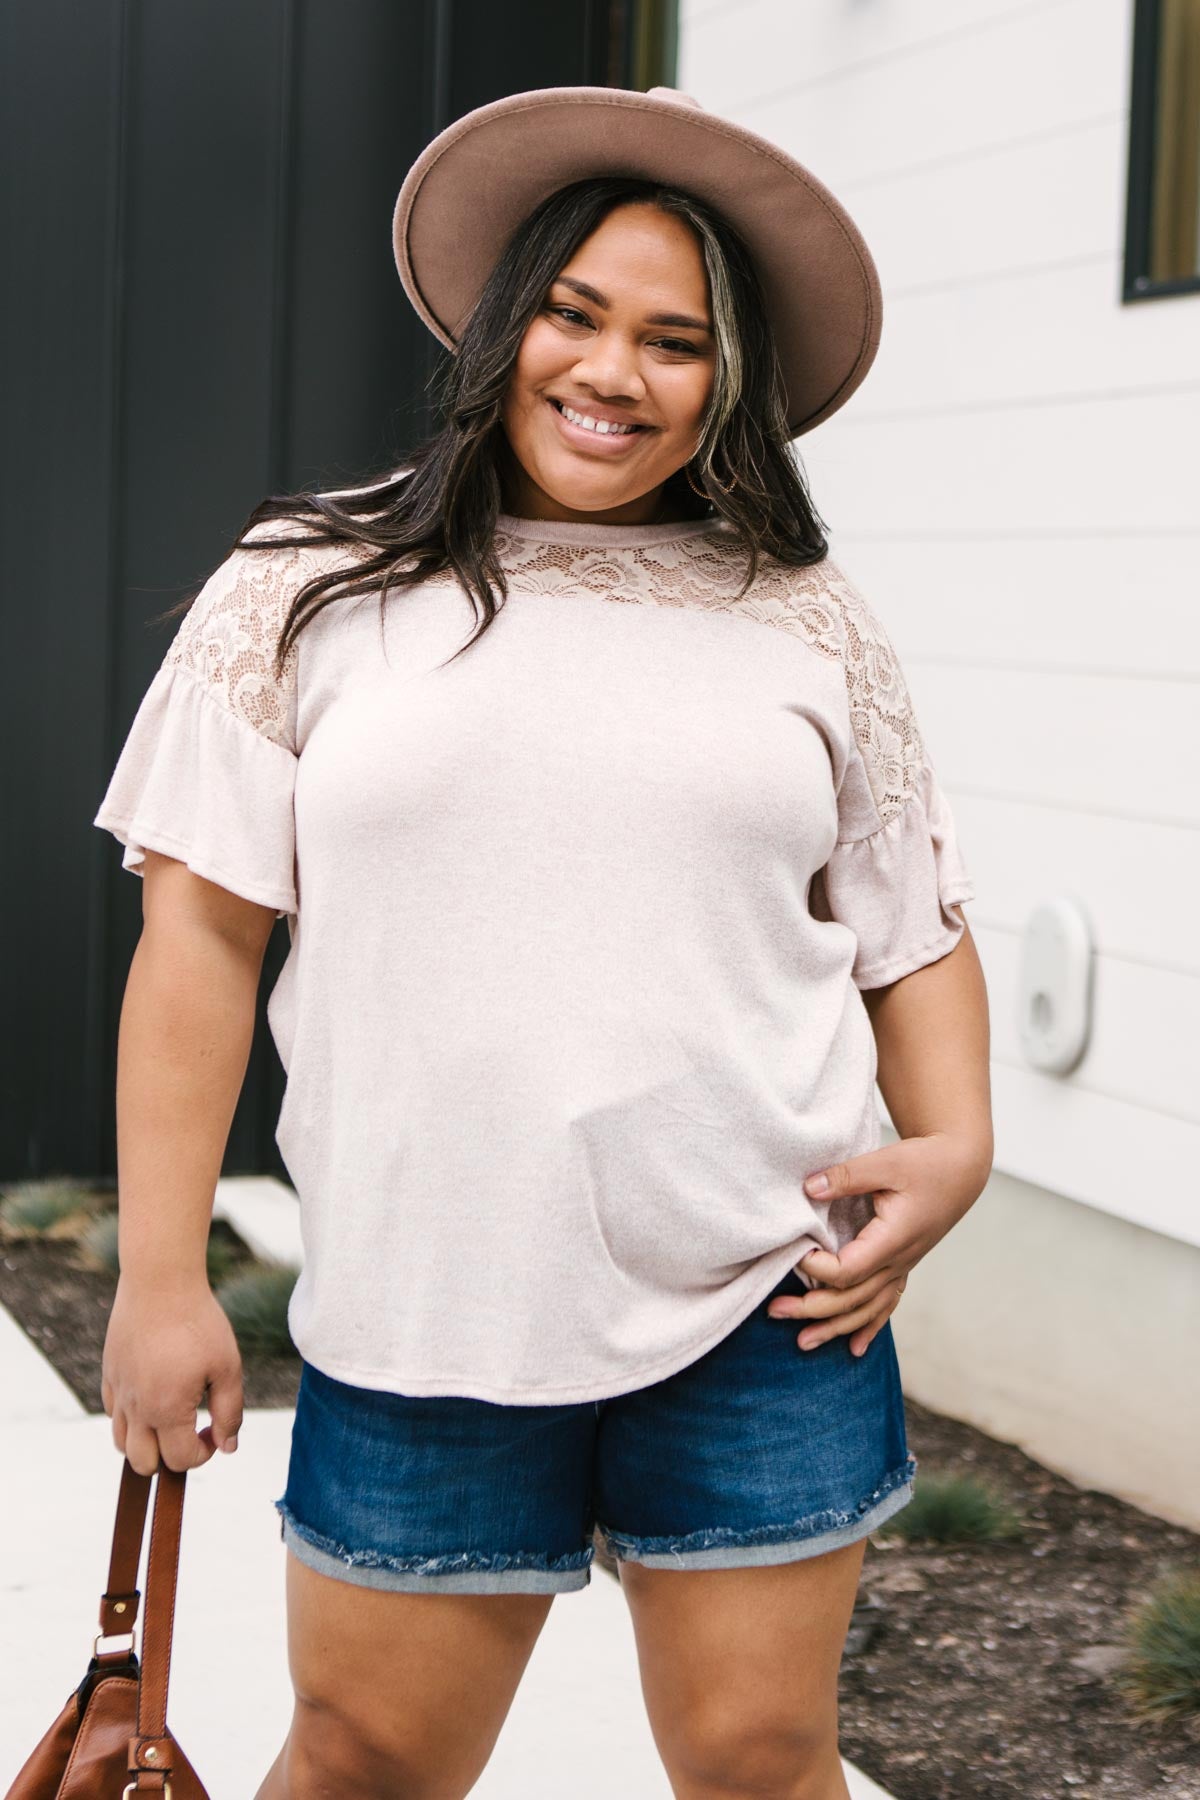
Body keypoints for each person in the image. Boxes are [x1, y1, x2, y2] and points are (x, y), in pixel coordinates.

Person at [93, 84, 992, 1800]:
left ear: (727, 382)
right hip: (426, 1301)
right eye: (575, 314)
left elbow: (908, 922)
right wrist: (156, 1278)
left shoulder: (803, 615)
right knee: (362, 1759)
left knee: (757, 1758)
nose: (611, 372)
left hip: (767, 1300)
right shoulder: (307, 583)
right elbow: (196, 946)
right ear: (507, 324)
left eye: (675, 339)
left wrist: (960, 1148)